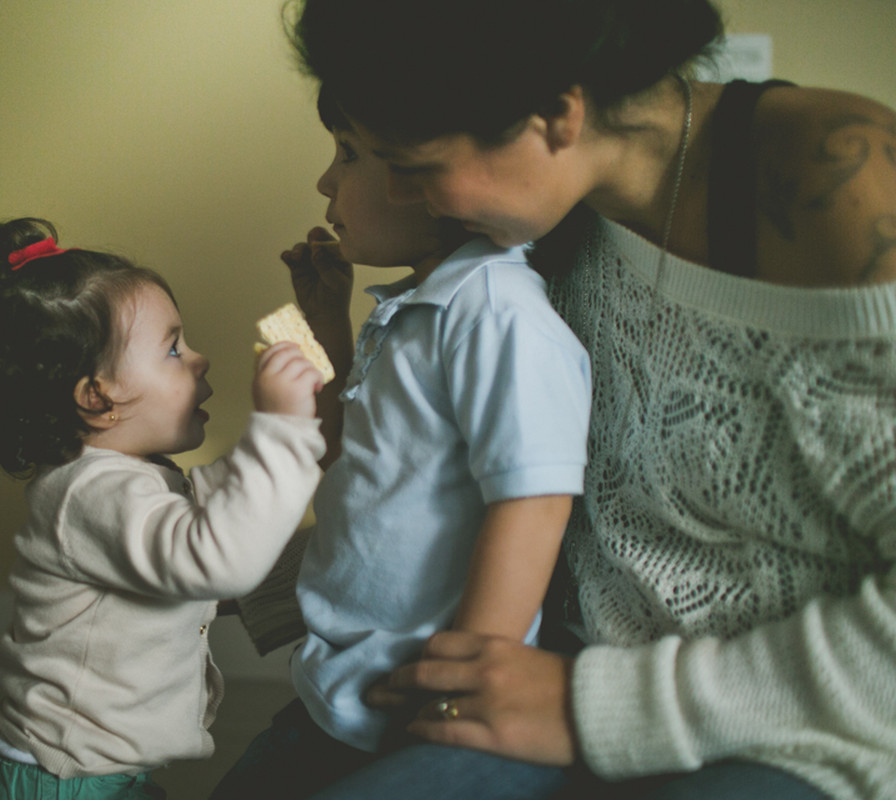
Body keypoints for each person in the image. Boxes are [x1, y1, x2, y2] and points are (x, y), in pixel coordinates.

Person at [276, 1, 896, 799]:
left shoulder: (840, 183)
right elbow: (405, 456)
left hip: (795, 728)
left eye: (416, 164)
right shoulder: (542, 223)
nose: (403, 194)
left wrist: (594, 704)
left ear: (556, 114)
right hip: (561, 670)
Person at [210, 86, 591, 799]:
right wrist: (321, 319)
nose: (325, 181)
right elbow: (336, 451)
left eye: (348, 155)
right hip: (336, 683)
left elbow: (534, 504)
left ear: (439, 184)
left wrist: (469, 682)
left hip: (416, 704)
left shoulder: (497, 316)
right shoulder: (411, 308)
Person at [0, 217, 327, 799]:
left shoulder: (134, 477)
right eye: (173, 349)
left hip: (98, 771)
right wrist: (281, 430)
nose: (198, 359)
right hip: (63, 781)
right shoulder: (91, 493)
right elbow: (219, 558)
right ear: (98, 398)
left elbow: (227, 511)